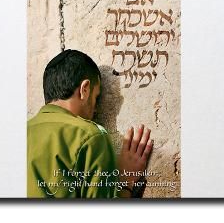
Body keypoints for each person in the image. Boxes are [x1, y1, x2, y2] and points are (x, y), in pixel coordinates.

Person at [27, 49, 153, 198]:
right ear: (84, 89)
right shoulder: (90, 136)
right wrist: (125, 182)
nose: (96, 109)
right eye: (96, 97)